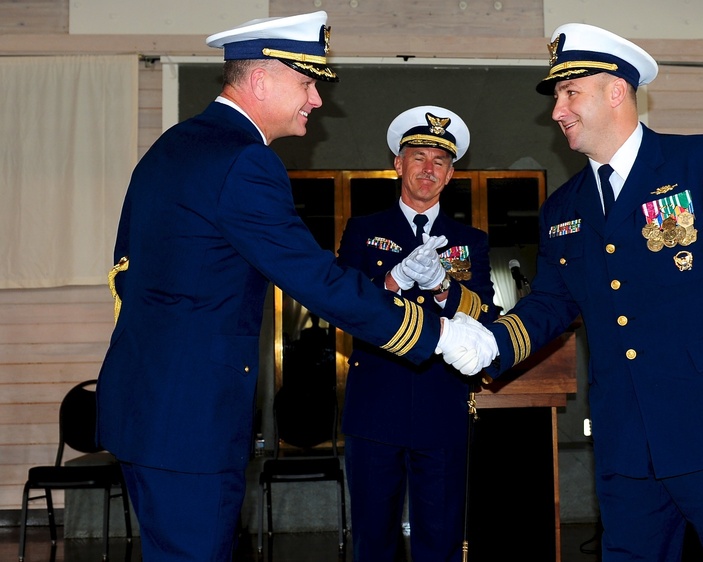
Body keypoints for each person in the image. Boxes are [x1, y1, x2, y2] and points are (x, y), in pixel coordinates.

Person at [95, 13, 494, 562]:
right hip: (191, 420)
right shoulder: (245, 161)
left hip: (146, 408)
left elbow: (127, 271)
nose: (316, 100)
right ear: (261, 80)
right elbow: (314, 277)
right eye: (307, 82)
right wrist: (438, 335)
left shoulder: (175, 146)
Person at [471, 23, 703, 560]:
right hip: (626, 438)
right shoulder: (563, 208)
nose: (557, 110)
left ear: (616, 91)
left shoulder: (702, 163)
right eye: (558, 95)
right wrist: (494, 343)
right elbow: (554, 301)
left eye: (569, 92)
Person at [335, 105, 497, 561]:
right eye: (418, 157)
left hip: (441, 403)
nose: (428, 169)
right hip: (375, 406)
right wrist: (393, 281)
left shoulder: (471, 241)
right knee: (374, 539)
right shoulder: (364, 231)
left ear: (451, 175)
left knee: (441, 540)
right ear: (398, 165)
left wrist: (442, 287)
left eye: (439, 161)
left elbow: (483, 311)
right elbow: (341, 306)